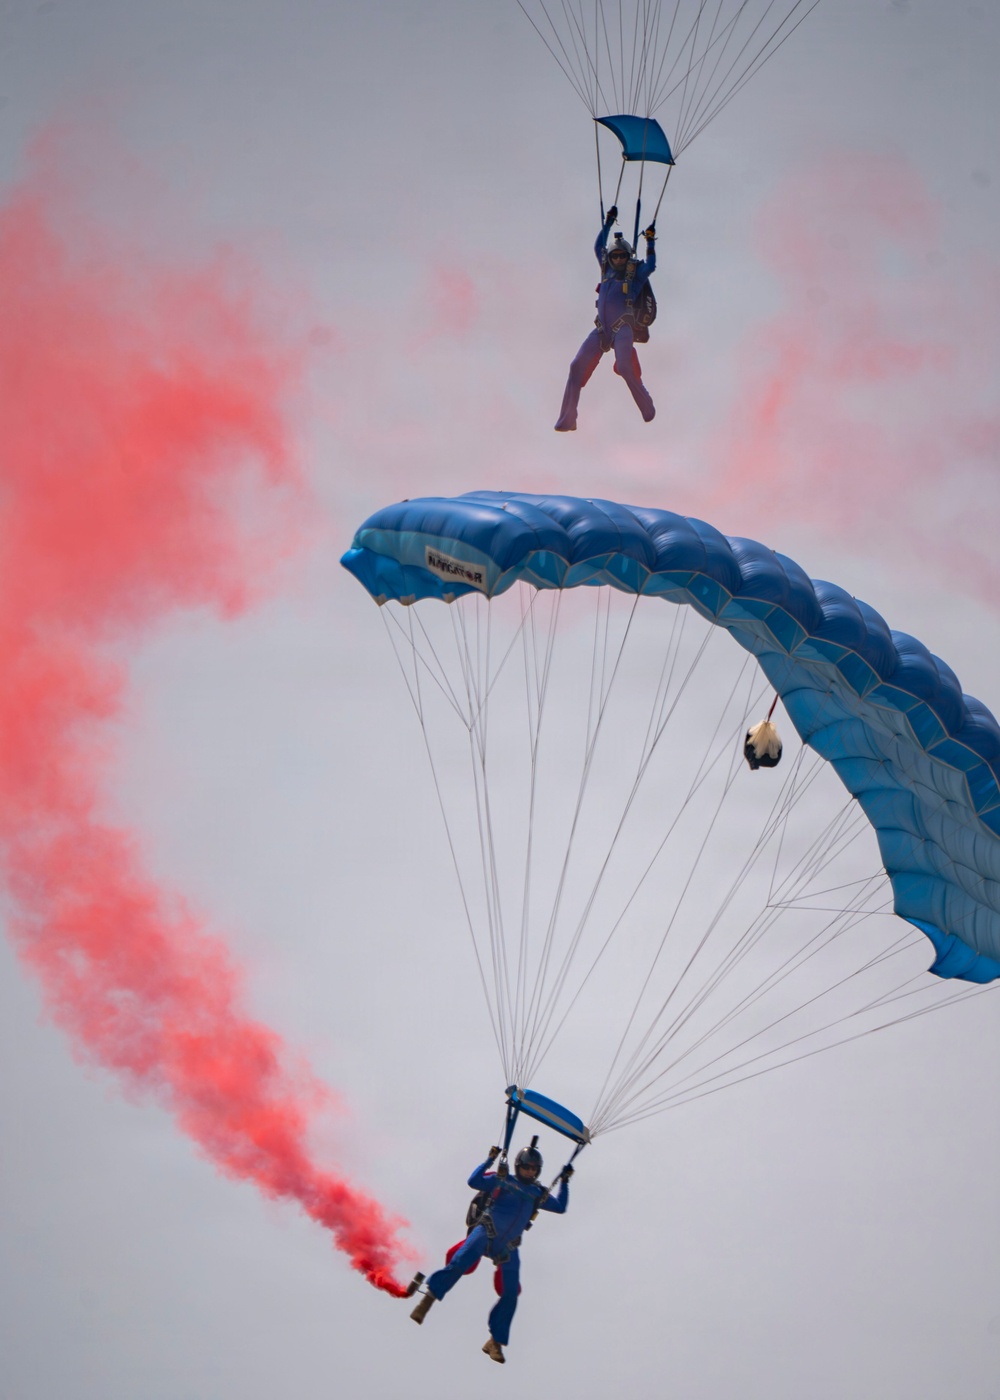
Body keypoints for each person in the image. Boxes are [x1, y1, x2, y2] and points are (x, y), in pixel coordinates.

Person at [409, 1140, 573, 1365]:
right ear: (518, 1166)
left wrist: (565, 1181)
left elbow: (560, 1207)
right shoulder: (503, 1179)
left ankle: (495, 1341)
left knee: (511, 1293)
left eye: (534, 1169)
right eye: (526, 1167)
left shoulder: (537, 1193)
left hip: (508, 1246)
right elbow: (474, 1181)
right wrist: (490, 1159)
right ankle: (428, 1300)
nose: (529, 1172)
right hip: (487, 1229)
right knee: (461, 1261)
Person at [555, 206, 657, 431]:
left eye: (622, 256)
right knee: (575, 367)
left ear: (627, 257)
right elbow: (597, 246)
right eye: (615, 256)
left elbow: (650, 266)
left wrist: (650, 242)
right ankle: (567, 418)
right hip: (602, 329)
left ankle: (647, 407)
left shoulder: (634, 274)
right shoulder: (605, 270)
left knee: (624, 366)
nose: (618, 259)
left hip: (623, 328)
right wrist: (609, 222)